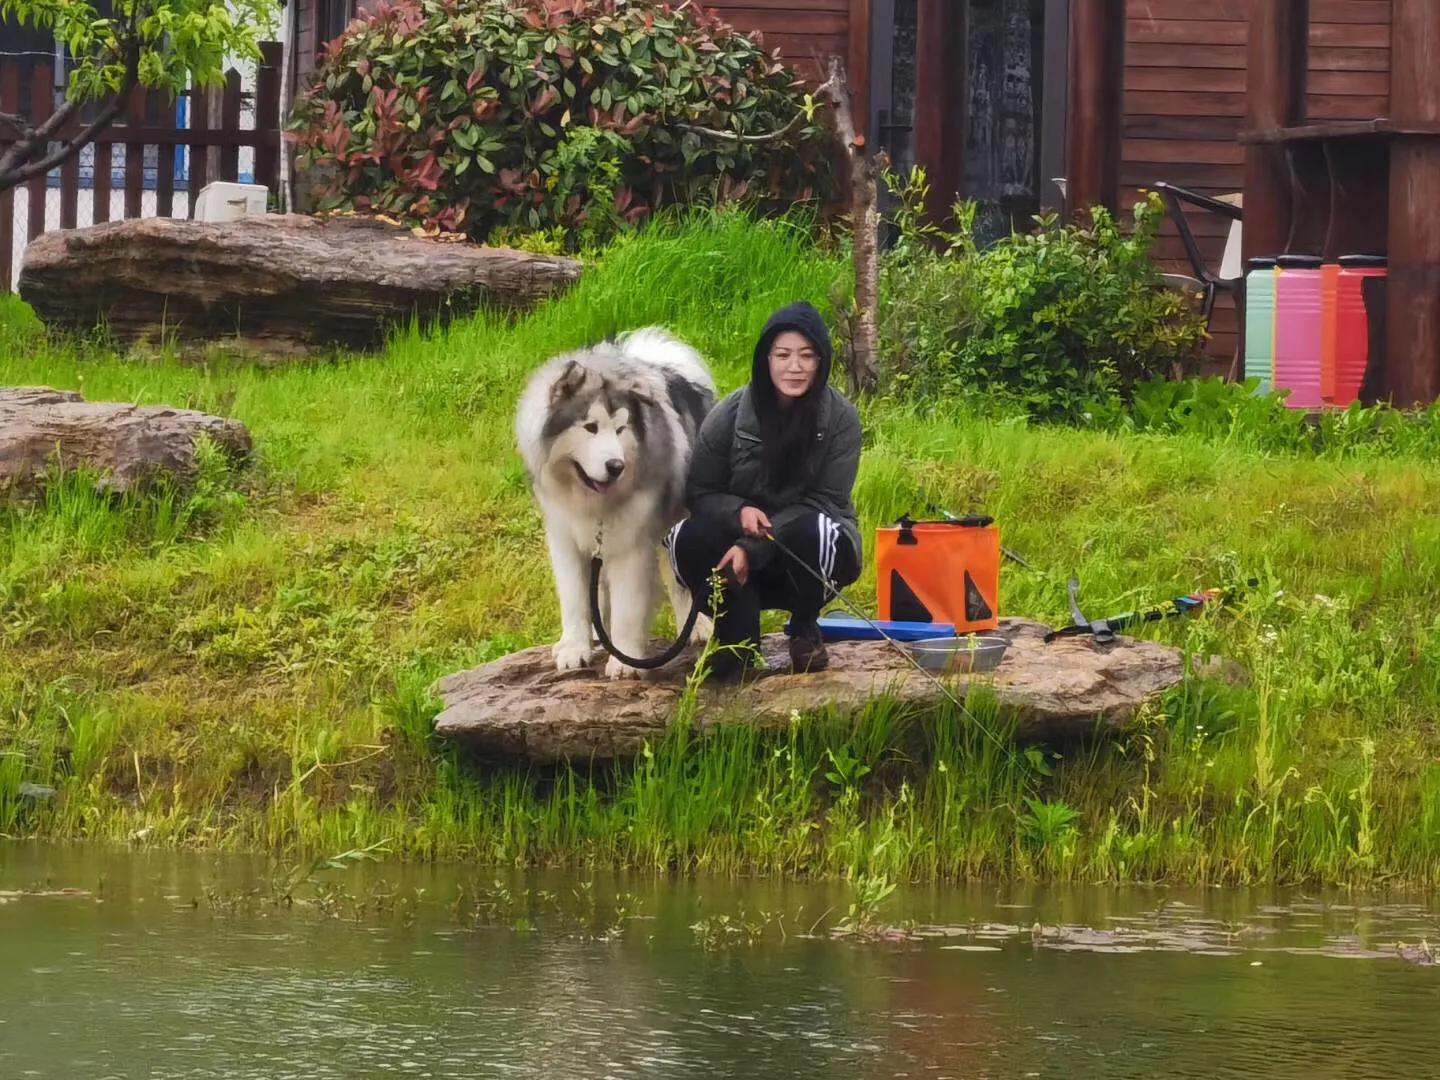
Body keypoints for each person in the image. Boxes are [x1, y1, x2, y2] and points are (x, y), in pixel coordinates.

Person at [667, 302, 863, 679]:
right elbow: (701, 492)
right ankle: (735, 638)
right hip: (736, 550)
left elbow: (826, 500)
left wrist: (751, 548)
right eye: (783, 355)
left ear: (821, 361)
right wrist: (738, 512)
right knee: (683, 538)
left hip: (801, 550)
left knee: (818, 531)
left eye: (807, 356)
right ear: (766, 359)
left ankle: (804, 629)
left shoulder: (841, 419)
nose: (795, 367)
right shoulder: (728, 415)